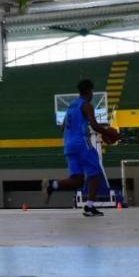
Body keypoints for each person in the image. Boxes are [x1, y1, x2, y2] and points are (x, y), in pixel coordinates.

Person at [42, 79, 116, 217]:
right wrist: (108, 133)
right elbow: (94, 125)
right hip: (82, 143)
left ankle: (53, 185)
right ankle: (89, 207)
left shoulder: (70, 107)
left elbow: (62, 127)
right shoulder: (87, 105)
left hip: (68, 145)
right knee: (96, 174)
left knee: (77, 179)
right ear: (89, 91)